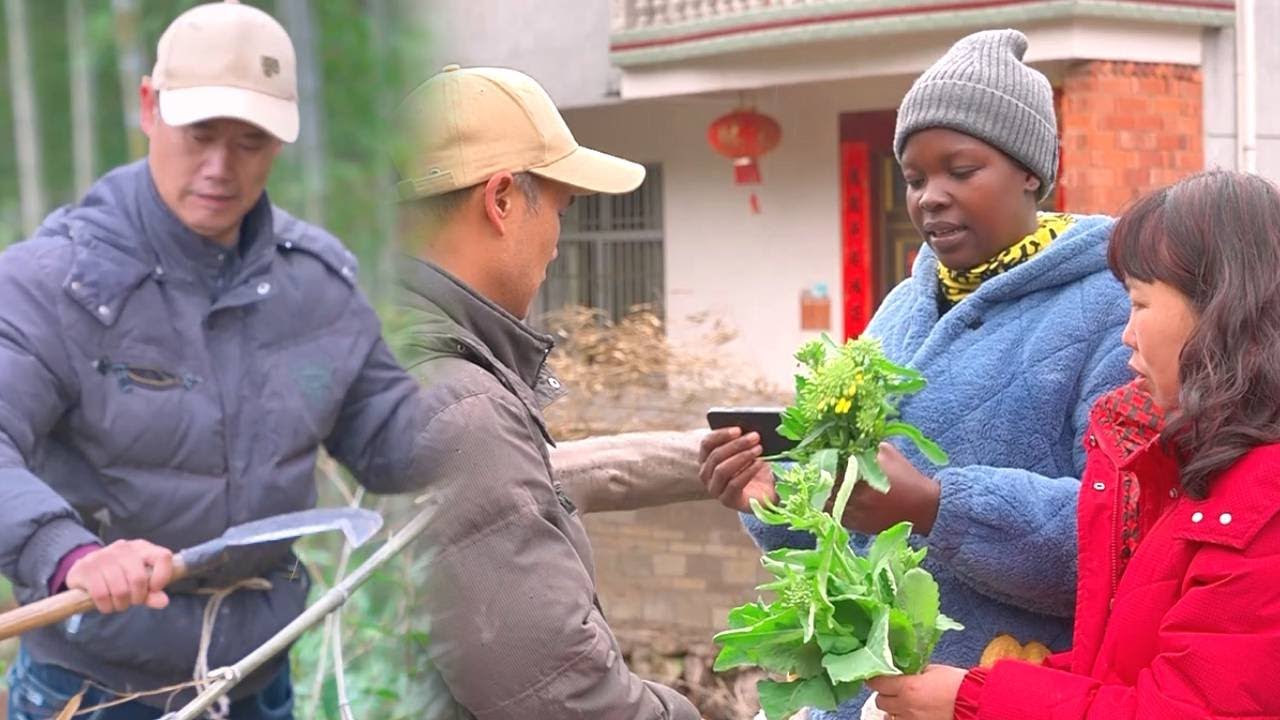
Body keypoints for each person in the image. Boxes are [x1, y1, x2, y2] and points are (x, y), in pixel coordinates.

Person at [1, 3, 430, 717]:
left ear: (281, 142)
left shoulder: (315, 288)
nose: (220, 168)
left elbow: (388, 434)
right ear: (149, 106)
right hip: (89, 691)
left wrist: (486, 424)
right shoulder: (51, 286)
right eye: (200, 135)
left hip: (257, 680)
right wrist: (70, 553)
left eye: (251, 142)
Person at [699, 29, 1132, 719]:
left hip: (997, 688)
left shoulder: (1111, 311)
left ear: (1031, 170)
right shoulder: (903, 306)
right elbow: (850, 513)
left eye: (960, 170)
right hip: (860, 693)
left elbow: (1120, 541)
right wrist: (778, 499)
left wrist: (935, 505)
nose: (931, 196)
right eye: (915, 177)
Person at [866, 170, 1280, 720]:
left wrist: (974, 699)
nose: (1126, 334)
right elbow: (1120, 667)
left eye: (1140, 304)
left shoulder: (1257, 503)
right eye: (913, 176)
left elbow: (1188, 705)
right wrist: (981, 686)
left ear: (1221, 308)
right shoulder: (1178, 461)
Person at [392, 64, 702, 719]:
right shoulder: (462, 408)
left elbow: (528, 488)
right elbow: (564, 698)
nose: (559, 242)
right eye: (560, 208)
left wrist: (703, 458)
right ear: (502, 200)